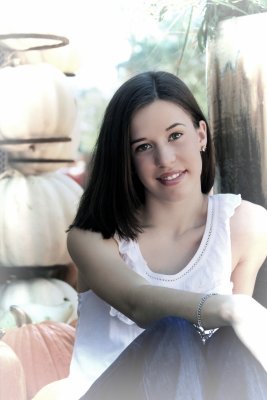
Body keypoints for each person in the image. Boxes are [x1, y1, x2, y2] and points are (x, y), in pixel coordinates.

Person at [34, 71, 267, 400]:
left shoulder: (246, 224)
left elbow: (233, 356)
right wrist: (233, 308)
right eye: (144, 147)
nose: (165, 159)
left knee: (234, 342)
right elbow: (137, 301)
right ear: (126, 160)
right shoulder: (93, 236)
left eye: (175, 136)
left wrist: (238, 318)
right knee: (174, 331)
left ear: (201, 135)